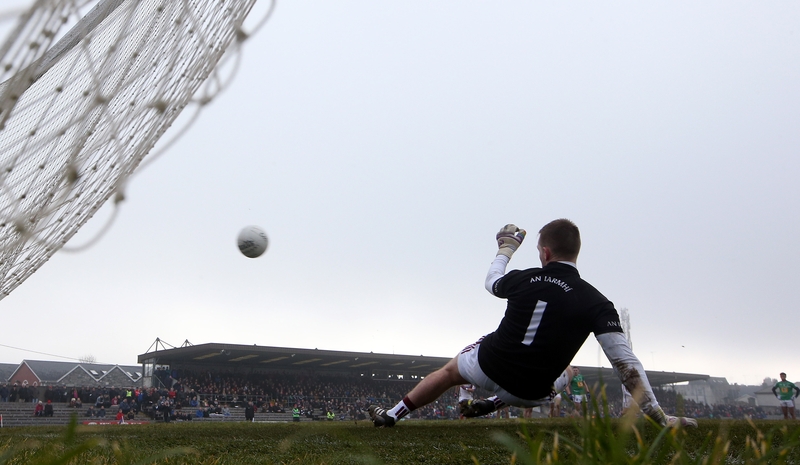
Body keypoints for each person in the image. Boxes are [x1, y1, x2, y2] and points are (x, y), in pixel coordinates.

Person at [368, 220, 697, 428]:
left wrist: (505, 249)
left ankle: (393, 414)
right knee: (568, 372)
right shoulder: (596, 301)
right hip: (533, 395)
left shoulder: (526, 278)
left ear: (545, 251)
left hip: (487, 367)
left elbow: (492, 282)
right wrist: (658, 416)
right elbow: (626, 364)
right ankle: (494, 403)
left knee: (450, 371)